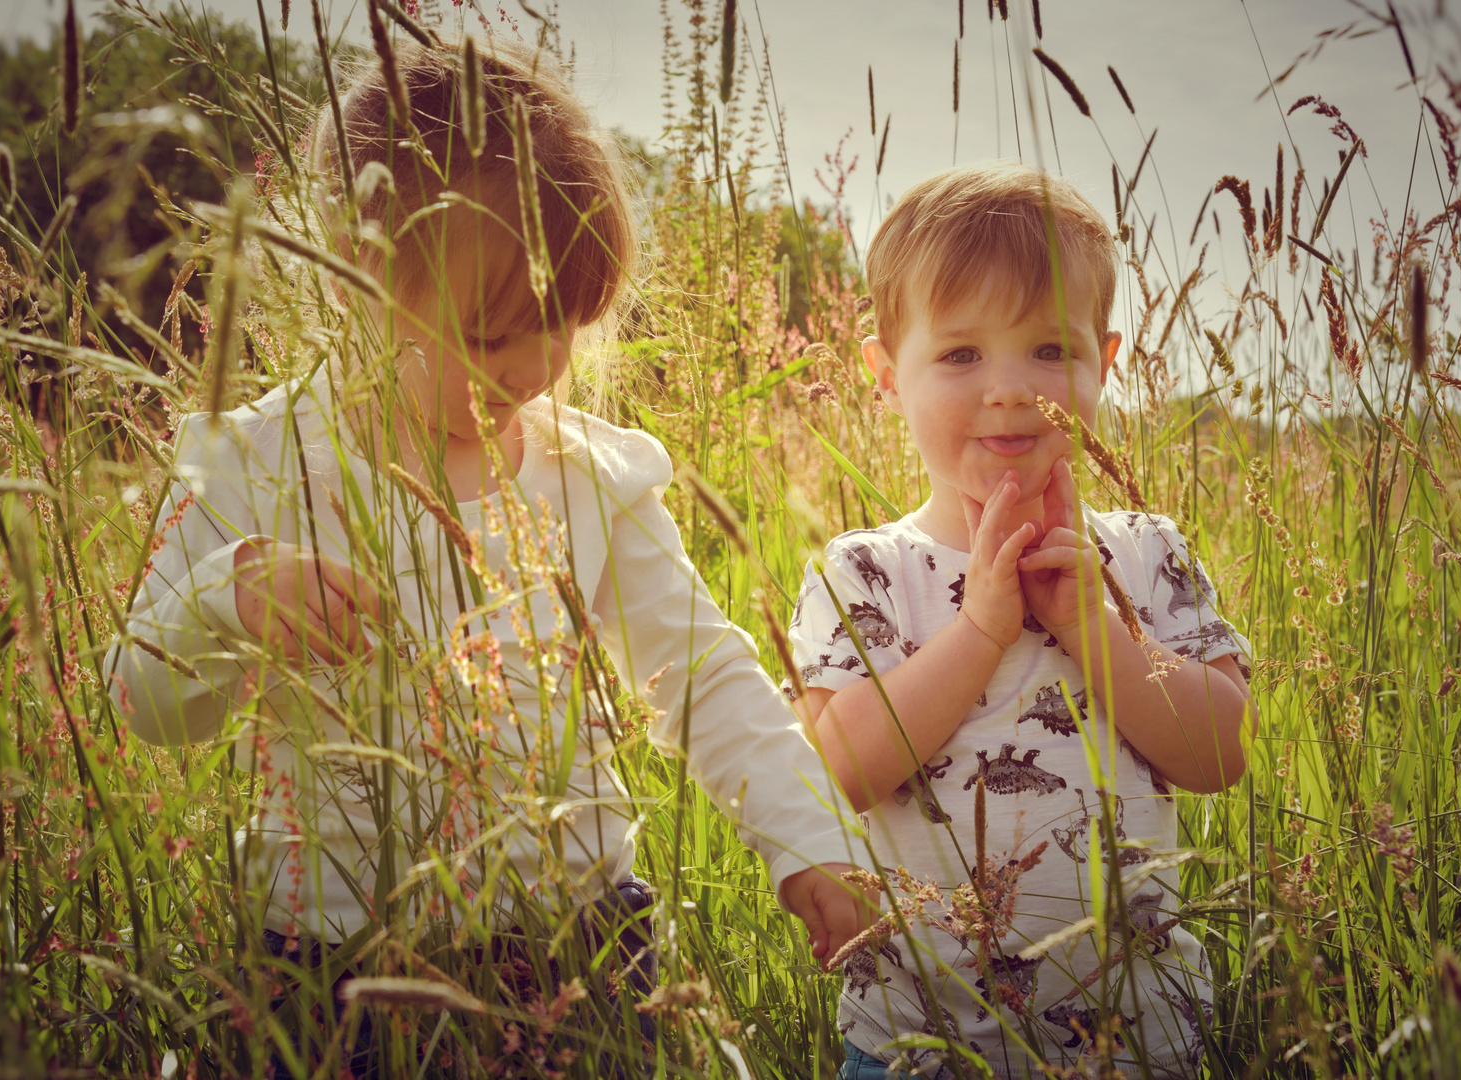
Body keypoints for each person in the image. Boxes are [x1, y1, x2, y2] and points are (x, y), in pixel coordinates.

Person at [106, 36, 866, 1076]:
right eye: (493, 329)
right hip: (329, 973)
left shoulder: (593, 478)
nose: (537, 364)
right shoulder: (254, 465)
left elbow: (703, 674)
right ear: (352, 281)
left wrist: (807, 843)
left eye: (562, 321)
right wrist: (227, 594)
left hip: (578, 950)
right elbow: (148, 707)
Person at [786, 162, 1253, 1079]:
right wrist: (980, 631)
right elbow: (838, 767)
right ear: (887, 374)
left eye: (1049, 351)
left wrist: (1095, 627)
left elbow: (1220, 753)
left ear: (1103, 363)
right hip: (919, 1043)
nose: (1007, 387)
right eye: (960, 354)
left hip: (1138, 1035)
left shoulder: (1149, 553)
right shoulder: (867, 571)